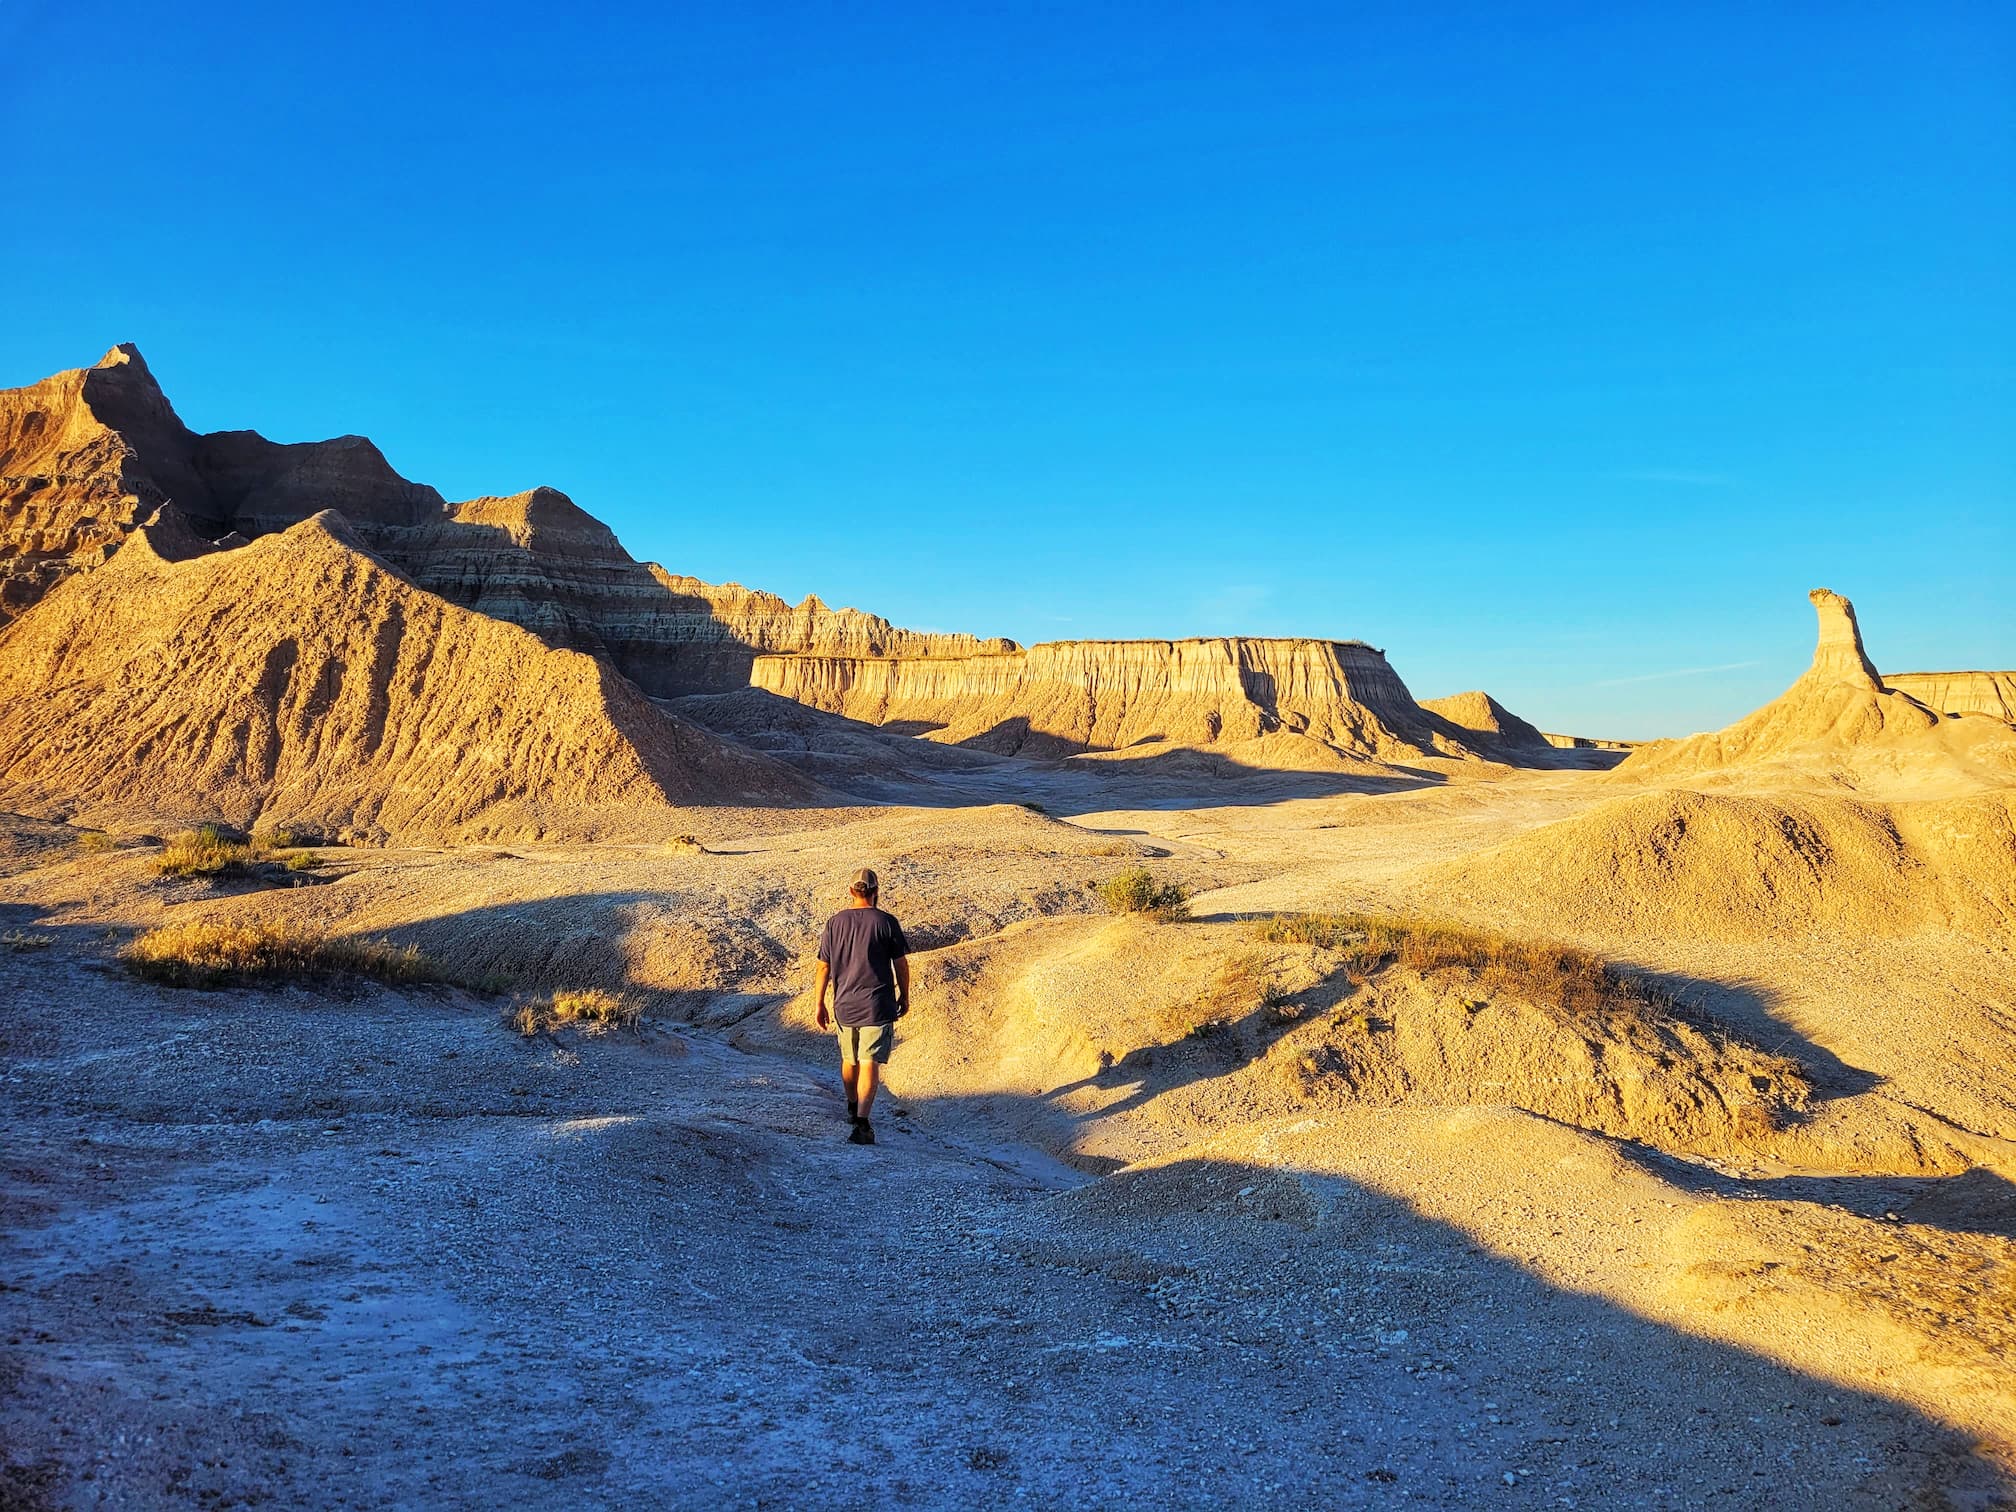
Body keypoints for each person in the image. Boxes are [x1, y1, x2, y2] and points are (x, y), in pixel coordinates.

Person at [813, 867, 910, 1146]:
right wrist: (904, 995)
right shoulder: (886, 922)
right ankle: (863, 1124)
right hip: (877, 1004)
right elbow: (900, 963)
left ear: (851, 892)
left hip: (844, 1004)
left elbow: (823, 967)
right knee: (869, 1062)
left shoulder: (834, 923)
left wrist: (819, 1003)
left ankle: (852, 1106)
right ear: (876, 891)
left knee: (850, 1059)